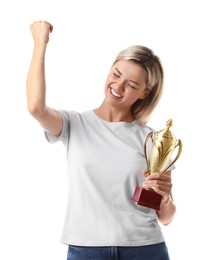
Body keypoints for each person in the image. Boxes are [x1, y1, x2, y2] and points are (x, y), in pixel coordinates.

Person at [26, 21, 176, 260]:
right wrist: (40, 43)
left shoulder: (153, 140)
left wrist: (165, 197)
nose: (118, 86)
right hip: (86, 249)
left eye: (132, 85)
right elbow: (36, 108)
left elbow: (166, 218)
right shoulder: (74, 124)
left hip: (145, 248)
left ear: (144, 93)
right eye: (116, 74)